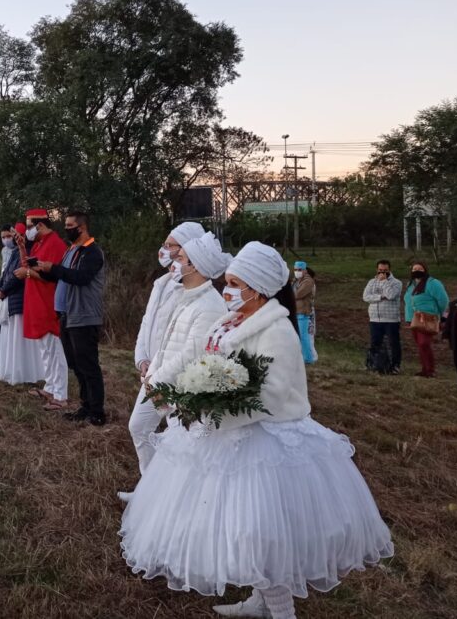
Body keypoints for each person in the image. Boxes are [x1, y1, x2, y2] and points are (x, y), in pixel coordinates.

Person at [120, 241, 393, 619]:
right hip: (223, 435)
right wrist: (164, 385)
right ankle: (260, 603)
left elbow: (268, 394)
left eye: (234, 283)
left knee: (257, 536)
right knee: (243, 530)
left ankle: (282, 612)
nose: (226, 290)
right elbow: (197, 356)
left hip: (265, 442)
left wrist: (211, 411)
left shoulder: (277, 331)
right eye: (227, 282)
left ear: (258, 287)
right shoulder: (230, 320)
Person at [125, 222, 205, 480]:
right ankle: (150, 489)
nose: (164, 249)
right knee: (140, 427)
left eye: (171, 246)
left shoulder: (191, 290)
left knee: (179, 432)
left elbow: (178, 339)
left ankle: (173, 491)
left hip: (171, 376)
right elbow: (147, 323)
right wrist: (142, 359)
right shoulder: (161, 283)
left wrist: (158, 371)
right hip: (152, 374)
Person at [35, 211, 107, 425]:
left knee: (89, 365)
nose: (66, 228)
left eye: (69, 225)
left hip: (84, 316)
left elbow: (81, 278)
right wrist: (44, 269)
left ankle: (97, 411)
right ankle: (85, 406)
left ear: (81, 227)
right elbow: (62, 275)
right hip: (67, 316)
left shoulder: (92, 252)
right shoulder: (71, 250)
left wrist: (54, 268)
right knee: (76, 364)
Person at [18, 208, 70, 410]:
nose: (27, 230)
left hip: (48, 302)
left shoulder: (55, 244)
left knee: (54, 350)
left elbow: (52, 276)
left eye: (29, 226)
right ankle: (50, 386)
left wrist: (28, 274)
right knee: (45, 349)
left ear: (39, 225)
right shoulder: (39, 243)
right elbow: (29, 265)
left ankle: (61, 395)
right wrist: (22, 248)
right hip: (37, 301)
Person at [0, 223, 43, 385]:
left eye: (12, 235)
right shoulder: (15, 252)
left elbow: (18, 275)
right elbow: (6, 274)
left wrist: (3, 289)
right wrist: (0, 288)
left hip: (18, 298)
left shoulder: (26, 251)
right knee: (13, 337)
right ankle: (15, 371)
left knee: (19, 339)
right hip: (12, 298)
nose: (8, 239)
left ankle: (22, 373)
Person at [403, 261, 449, 378]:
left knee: (424, 343)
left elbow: (443, 300)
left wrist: (440, 315)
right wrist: (408, 317)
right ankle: (424, 369)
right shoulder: (411, 284)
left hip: (427, 318)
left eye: (419, 269)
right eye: (414, 269)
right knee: (419, 344)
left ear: (425, 270)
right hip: (413, 318)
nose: (416, 271)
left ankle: (430, 370)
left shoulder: (433, 283)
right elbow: (408, 300)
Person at [363, 259, 403, 374]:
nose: (382, 273)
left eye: (385, 271)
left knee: (393, 343)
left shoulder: (396, 283)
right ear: (377, 269)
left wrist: (385, 281)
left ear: (389, 270)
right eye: (380, 270)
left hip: (391, 319)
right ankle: (373, 363)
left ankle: (395, 365)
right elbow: (366, 297)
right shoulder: (371, 282)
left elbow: (390, 295)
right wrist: (380, 297)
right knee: (375, 342)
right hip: (375, 317)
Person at [293, 261, 317, 365]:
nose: (297, 272)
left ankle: (308, 358)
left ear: (305, 270)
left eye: (299, 270)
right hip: (296, 311)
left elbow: (298, 294)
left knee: (304, 336)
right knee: (298, 336)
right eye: (295, 269)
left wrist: (289, 296)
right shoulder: (297, 280)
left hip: (303, 312)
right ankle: (301, 356)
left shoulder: (308, 281)